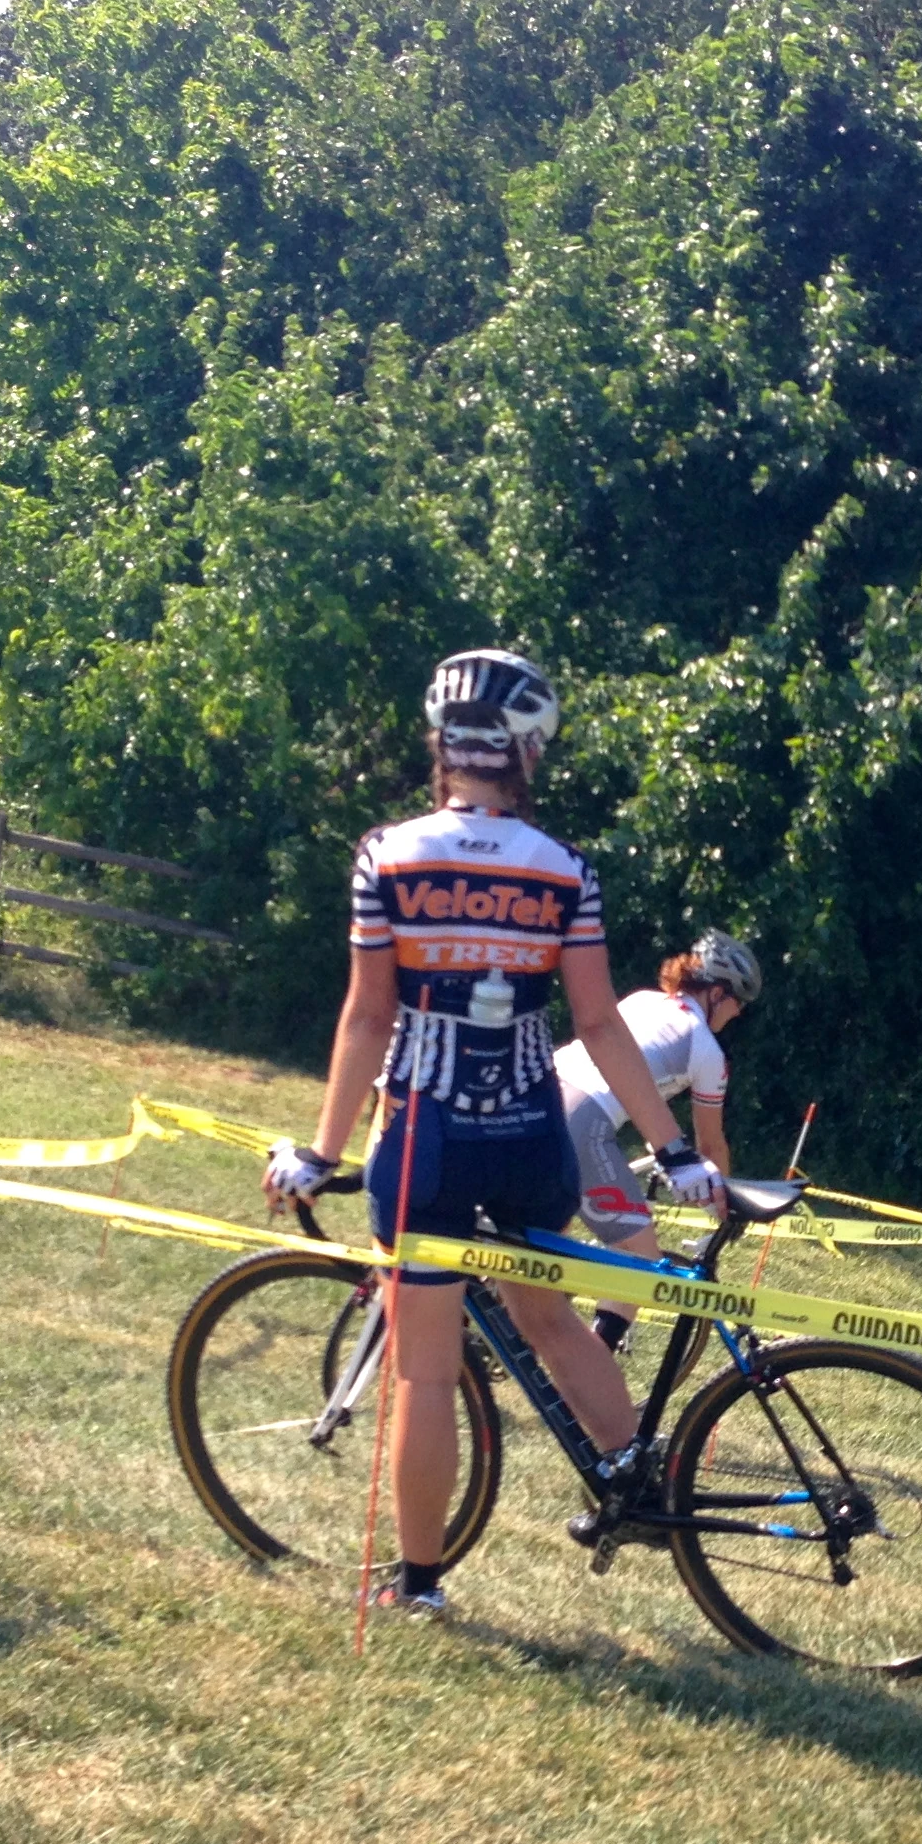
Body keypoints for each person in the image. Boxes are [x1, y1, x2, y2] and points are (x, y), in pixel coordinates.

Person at [261, 649, 723, 1618]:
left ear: (441, 741)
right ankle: (635, 1478)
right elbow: (597, 1024)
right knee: (551, 1318)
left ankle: (421, 1586)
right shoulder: (565, 871)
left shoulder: (387, 855)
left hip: (427, 1137)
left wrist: (323, 1152)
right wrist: (672, 1149)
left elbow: (366, 1016)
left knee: (426, 1372)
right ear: (529, 752)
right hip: (529, 1132)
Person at [554, 928, 763, 1350]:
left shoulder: (642, 1000)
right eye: (738, 1001)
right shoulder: (706, 1051)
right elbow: (710, 1146)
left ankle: (486, 1313)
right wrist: (722, 1211)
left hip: (539, 1092)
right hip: (581, 1119)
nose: (738, 1013)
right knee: (642, 1259)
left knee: (540, 1239)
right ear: (718, 993)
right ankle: (590, 1377)